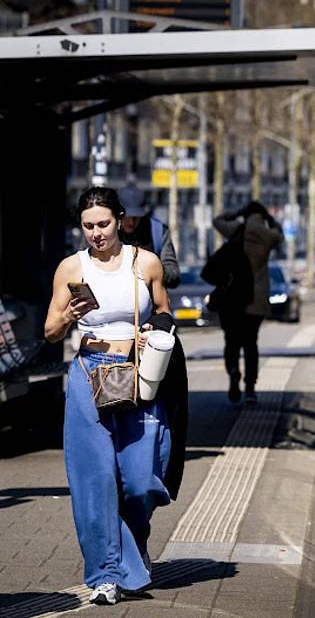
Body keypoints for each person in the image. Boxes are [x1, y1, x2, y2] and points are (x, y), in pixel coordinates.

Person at [43, 186, 172, 605]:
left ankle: (135, 549)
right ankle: (105, 575)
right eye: (88, 226)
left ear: (120, 220)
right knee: (94, 480)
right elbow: (50, 331)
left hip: (136, 375)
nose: (96, 233)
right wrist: (67, 315)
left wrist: (159, 327)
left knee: (138, 482)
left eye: (103, 224)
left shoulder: (145, 262)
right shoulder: (70, 268)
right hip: (88, 372)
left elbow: (164, 310)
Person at [212, 201, 284, 404]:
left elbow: (217, 220)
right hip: (256, 299)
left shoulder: (236, 229)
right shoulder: (267, 235)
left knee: (231, 342)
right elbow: (281, 235)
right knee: (251, 343)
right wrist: (271, 220)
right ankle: (250, 387)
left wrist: (236, 212)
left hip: (232, 297)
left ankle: (233, 372)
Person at [119, 181, 181, 288]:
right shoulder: (104, 231)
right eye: (127, 217)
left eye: (136, 217)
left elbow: (173, 275)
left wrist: (149, 270)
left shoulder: (158, 231)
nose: (132, 222)